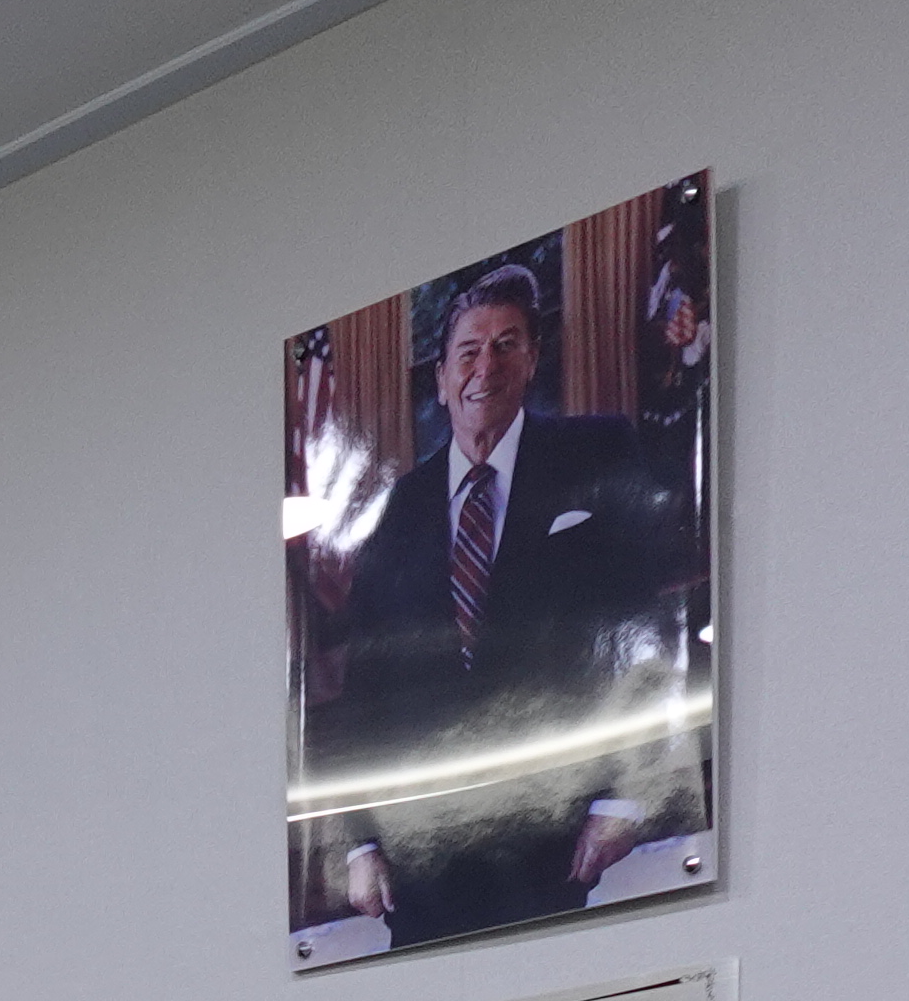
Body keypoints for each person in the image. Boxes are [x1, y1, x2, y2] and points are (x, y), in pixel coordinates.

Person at [299, 265, 699, 947]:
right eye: (469, 351)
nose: (486, 366)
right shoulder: (397, 510)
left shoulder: (596, 453)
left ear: (532, 359)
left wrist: (627, 795)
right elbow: (367, 691)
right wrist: (359, 843)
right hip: (421, 864)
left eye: (507, 345)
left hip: (558, 838)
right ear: (441, 378)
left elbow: (649, 627)